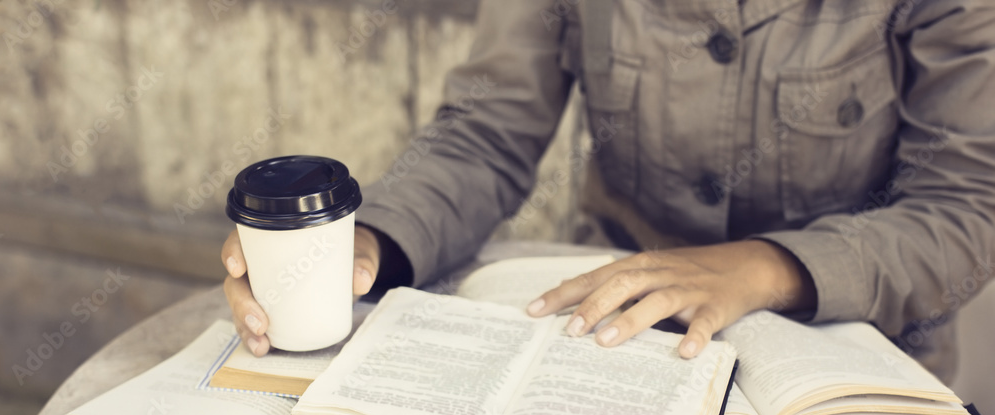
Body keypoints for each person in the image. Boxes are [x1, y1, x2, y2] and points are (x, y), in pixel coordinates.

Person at [223, 0, 995, 383]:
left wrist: (762, 268)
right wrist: (372, 244)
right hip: (613, 340)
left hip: (856, 357)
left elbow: (966, 205)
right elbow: (486, 131)